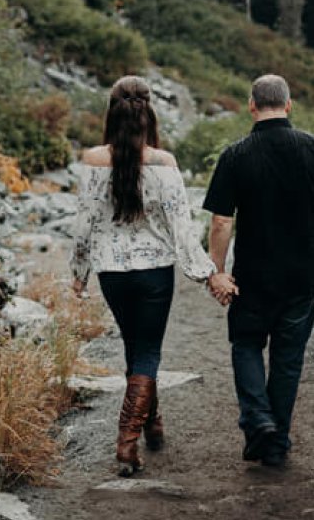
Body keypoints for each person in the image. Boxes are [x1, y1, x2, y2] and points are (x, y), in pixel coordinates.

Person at [70, 76, 216, 476]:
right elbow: (182, 229)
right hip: (154, 272)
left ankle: (152, 425)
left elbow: (83, 226)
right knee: (148, 351)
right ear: (149, 111)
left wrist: (78, 274)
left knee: (135, 348)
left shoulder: (92, 160)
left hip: (112, 274)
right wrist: (206, 273)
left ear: (111, 111)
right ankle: (126, 441)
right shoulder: (164, 163)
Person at [204, 74, 314, 467]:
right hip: (303, 273)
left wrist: (218, 271)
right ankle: (276, 440)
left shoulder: (236, 154)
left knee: (247, 344)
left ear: (252, 105)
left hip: (253, 273)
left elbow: (221, 221)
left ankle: (259, 420)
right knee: (288, 355)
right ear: (289, 105)